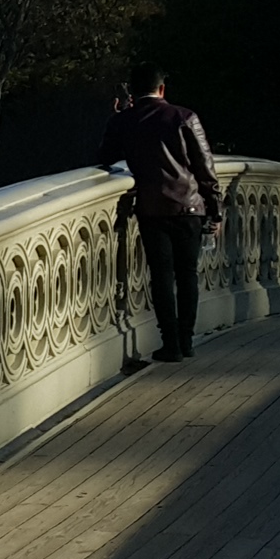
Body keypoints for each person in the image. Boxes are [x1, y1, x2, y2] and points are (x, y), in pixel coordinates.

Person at [102, 67, 224, 361]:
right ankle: (186, 340)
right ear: (162, 89)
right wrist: (215, 210)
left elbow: (104, 157)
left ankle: (170, 343)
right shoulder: (184, 117)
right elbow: (204, 166)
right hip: (189, 207)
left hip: (152, 209)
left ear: (131, 92)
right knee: (187, 275)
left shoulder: (126, 121)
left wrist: (118, 116)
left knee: (161, 276)